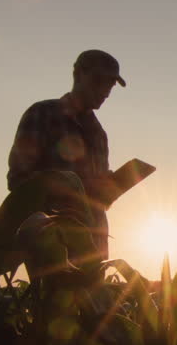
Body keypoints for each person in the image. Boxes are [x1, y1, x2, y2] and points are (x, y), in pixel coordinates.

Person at [7, 49, 127, 260]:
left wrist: (109, 189)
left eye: (111, 84)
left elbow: (99, 202)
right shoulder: (42, 114)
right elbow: (19, 181)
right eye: (98, 81)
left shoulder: (99, 135)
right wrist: (70, 196)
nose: (105, 90)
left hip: (93, 247)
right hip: (52, 244)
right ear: (78, 74)